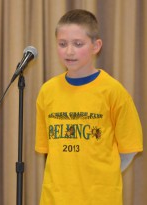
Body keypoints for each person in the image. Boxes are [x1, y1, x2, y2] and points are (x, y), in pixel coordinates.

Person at [35, 9, 143, 205]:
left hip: (100, 198)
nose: (69, 51)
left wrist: (102, 174)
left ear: (96, 46)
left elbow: (129, 148)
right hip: (55, 198)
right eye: (62, 44)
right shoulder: (47, 91)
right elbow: (48, 149)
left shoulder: (113, 91)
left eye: (78, 44)